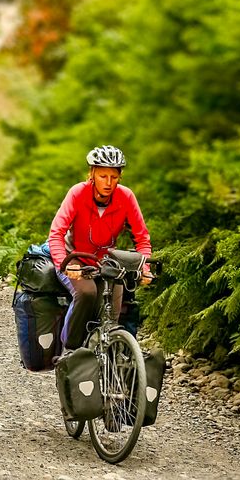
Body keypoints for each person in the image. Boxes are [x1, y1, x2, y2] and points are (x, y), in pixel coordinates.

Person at [48, 145, 152, 351]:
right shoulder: (78, 193)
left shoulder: (126, 197)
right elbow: (56, 234)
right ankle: (70, 348)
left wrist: (145, 268)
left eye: (113, 177)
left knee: (112, 316)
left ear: (120, 176)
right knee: (87, 293)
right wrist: (65, 264)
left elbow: (142, 239)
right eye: (103, 176)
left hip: (106, 261)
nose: (108, 182)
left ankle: (109, 362)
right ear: (92, 174)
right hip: (74, 257)